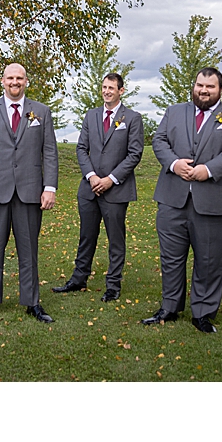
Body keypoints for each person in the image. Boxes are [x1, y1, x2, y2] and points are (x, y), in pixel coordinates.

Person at [145, 67, 222, 333]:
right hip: (172, 198)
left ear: (219, 90)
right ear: (194, 86)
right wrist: (173, 163)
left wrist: (209, 170)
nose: (204, 90)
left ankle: (202, 312)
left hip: (215, 201)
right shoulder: (173, 112)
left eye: (210, 87)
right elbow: (159, 141)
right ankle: (170, 307)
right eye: (200, 85)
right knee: (171, 257)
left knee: (210, 259)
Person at [0, 63, 59, 323]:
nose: (15, 82)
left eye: (19, 78)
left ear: (26, 81)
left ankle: (32, 302)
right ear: (2, 81)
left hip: (30, 192)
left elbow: (50, 152)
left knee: (29, 250)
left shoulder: (41, 112)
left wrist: (49, 187)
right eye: (10, 78)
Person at [53, 73, 144, 302]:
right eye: (104, 87)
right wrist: (92, 177)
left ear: (121, 91)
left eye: (111, 87)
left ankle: (113, 286)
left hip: (116, 190)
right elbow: (81, 149)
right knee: (86, 236)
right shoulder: (91, 115)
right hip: (89, 189)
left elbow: (134, 154)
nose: (106, 91)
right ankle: (78, 279)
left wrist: (110, 179)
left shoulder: (132, 118)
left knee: (115, 239)